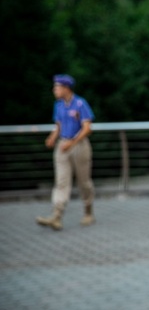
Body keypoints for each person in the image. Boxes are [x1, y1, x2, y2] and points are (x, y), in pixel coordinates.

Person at [36, 74, 96, 231]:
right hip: (63, 145)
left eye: (57, 87)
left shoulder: (80, 103)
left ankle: (88, 211)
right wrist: (52, 137)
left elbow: (87, 128)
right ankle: (56, 216)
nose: (54, 90)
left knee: (84, 182)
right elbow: (59, 126)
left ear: (66, 88)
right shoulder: (58, 105)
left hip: (79, 145)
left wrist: (72, 142)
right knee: (61, 182)